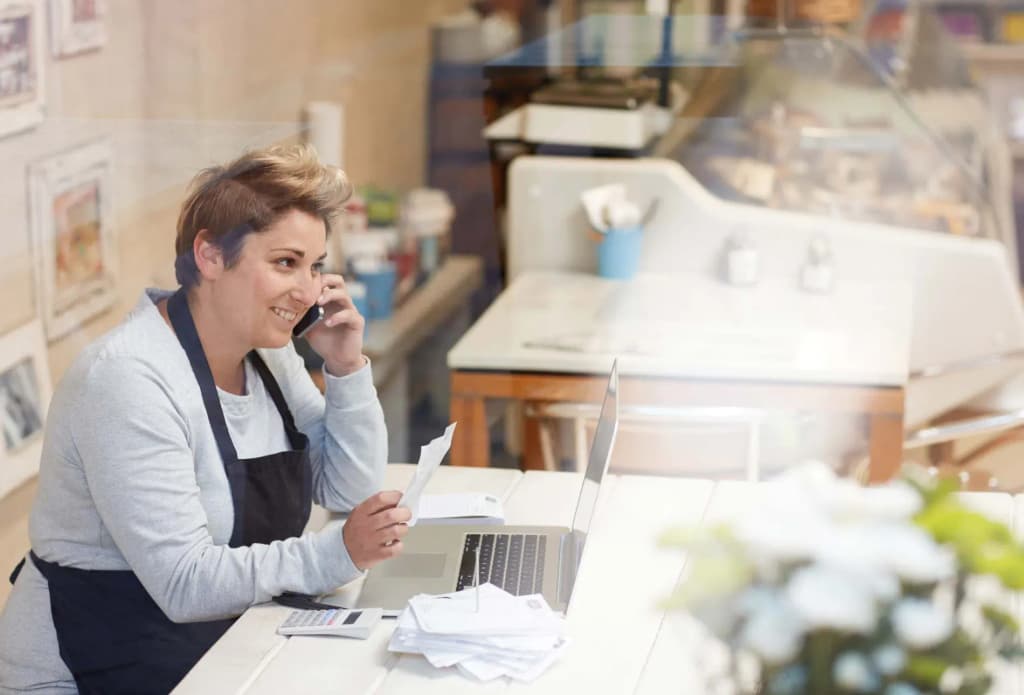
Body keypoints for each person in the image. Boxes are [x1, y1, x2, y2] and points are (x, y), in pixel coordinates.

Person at [0, 144, 411, 694]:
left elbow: (347, 486)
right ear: (211, 256)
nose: (309, 290)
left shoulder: (268, 352)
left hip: (212, 645)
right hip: (91, 667)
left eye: (315, 267)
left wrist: (344, 367)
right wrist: (336, 553)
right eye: (285, 263)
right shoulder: (127, 380)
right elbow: (186, 582)